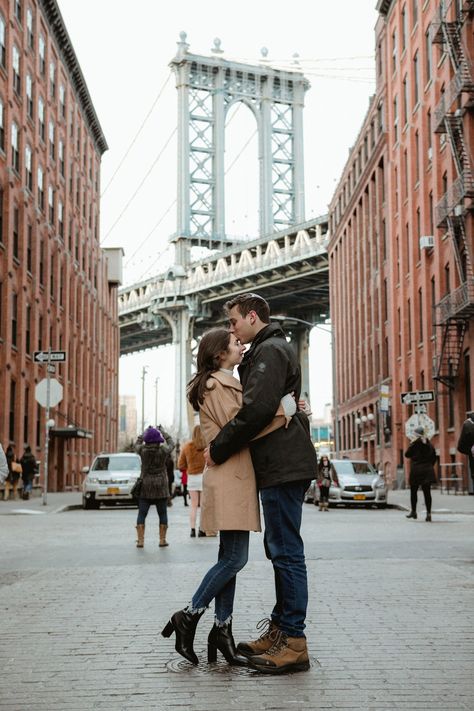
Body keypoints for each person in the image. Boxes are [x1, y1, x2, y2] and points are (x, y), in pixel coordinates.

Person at [162, 327, 293, 667]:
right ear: (220, 354)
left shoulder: (224, 383)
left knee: (230, 559)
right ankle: (189, 614)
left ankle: (222, 630)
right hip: (230, 476)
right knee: (235, 560)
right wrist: (283, 411)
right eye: (236, 343)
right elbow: (243, 428)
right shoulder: (214, 386)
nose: (242, 345)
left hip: (235, 475)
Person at [205, 293, 317, 675]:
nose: (231, 329)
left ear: (252, 317)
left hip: (283, 464)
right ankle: (281, 629)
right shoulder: (268, 349)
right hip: (279, 464)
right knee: (280, 550)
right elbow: (270, 406)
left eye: (234, 322)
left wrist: (218, 448)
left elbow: (255, 411)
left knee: (286, 552)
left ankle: (294, 641)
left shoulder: (269, 351)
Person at [135, 426, 174, 548]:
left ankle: (140, 541)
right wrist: (163, 432)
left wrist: (143, 433)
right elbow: (172, 444)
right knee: (162, 513)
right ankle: (162, 540)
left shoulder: (142, 450)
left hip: (145, 485)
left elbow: (137, 443)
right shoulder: (163, 451)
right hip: (161, 485)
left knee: (142, 513)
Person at [178, 426, 207, 537]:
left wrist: (189, 467)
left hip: (192, 478)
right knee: (203, 506)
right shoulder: (206, 447)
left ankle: (192, 530)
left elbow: (180, 465)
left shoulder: (187, 447)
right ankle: (202, 529)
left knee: (193, 505)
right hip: (204, 477)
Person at [404, 426, 437, 522]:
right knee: (427, 493)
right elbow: (434, 458)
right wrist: (429, 465)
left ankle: (413, 512)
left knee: (413, 491)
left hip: (416, 470)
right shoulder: (429, 444)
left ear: (416, 435)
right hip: (427, 470)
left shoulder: (415, 444)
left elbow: (407, 454)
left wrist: (411, 444)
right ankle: (428, 513)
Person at [457, 411, 474, 488]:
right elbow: (460, 447)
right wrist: (471, 450)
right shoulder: (468, 424)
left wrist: (470, 450)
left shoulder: (467, 424)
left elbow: (460, 447)